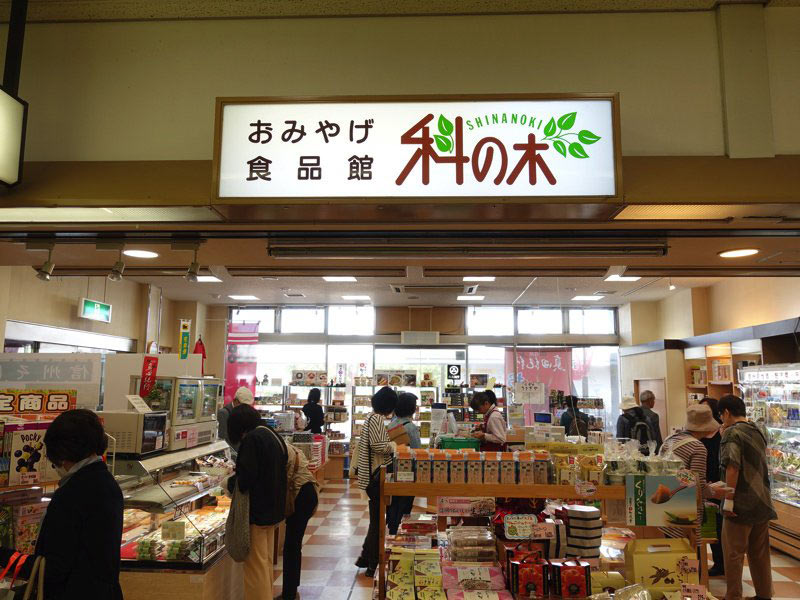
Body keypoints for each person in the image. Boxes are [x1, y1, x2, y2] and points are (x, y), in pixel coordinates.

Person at [0, 409, 123, 599]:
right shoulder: (106, 482)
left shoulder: (73, 494)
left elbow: (52, 569)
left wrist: (6, 557)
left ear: (62, 452)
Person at [226, 404, 288, 600]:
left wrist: (229, 482)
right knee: (265, 562)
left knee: (255, 568)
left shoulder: (252, 440)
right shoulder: (270, 434)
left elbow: (246, 479)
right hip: (273, 509)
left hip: (257, 512)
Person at [718, 394, 777, 600]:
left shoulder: (732, 434)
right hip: (762, 500)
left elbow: (733, 466)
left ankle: (733, 595)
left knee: (734, 553)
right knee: (759, 553)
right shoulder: (758, 430)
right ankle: (764, 594)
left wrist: (729, 500)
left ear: (726, 413)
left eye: (721, 415)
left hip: (741, 503)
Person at [659, 404, 721, 543]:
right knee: (689, 554)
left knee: (672, 555)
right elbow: (696, 486)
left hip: (664, 507)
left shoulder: (671, 439)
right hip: (684, 511)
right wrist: (714, 492)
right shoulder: (697, 447)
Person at [355, 386, 398, 578]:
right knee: (377, 521)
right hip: (375, 476)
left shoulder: (371, 417)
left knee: (376, 519)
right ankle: (372, 564)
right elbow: (379, 446)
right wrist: (395, 446)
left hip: (370, 475)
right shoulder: (377, 419)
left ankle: (365, 558)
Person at [280, 440, 321, 600]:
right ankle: (290, 591)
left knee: (291, 545)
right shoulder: (286, 446)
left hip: (300, 496)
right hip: (308, 492)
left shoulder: (275, 450)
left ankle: (289, 594)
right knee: (293, 545)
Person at [386, 392, 421, 535]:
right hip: (407, 470)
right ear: (411, 408)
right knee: (405, 502)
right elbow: (417, 451)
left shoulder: (392, 423)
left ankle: (391, 526)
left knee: (394, 500)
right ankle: (400, 529)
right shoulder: (411, 427)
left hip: (392, 468)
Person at [699, 397, 725, 576]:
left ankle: (720, 563)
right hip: (702, 484)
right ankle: (707, 563)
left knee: (718, 527)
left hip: (718, 484)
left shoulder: (721, 433)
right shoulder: (697, 434)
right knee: (706, 525)